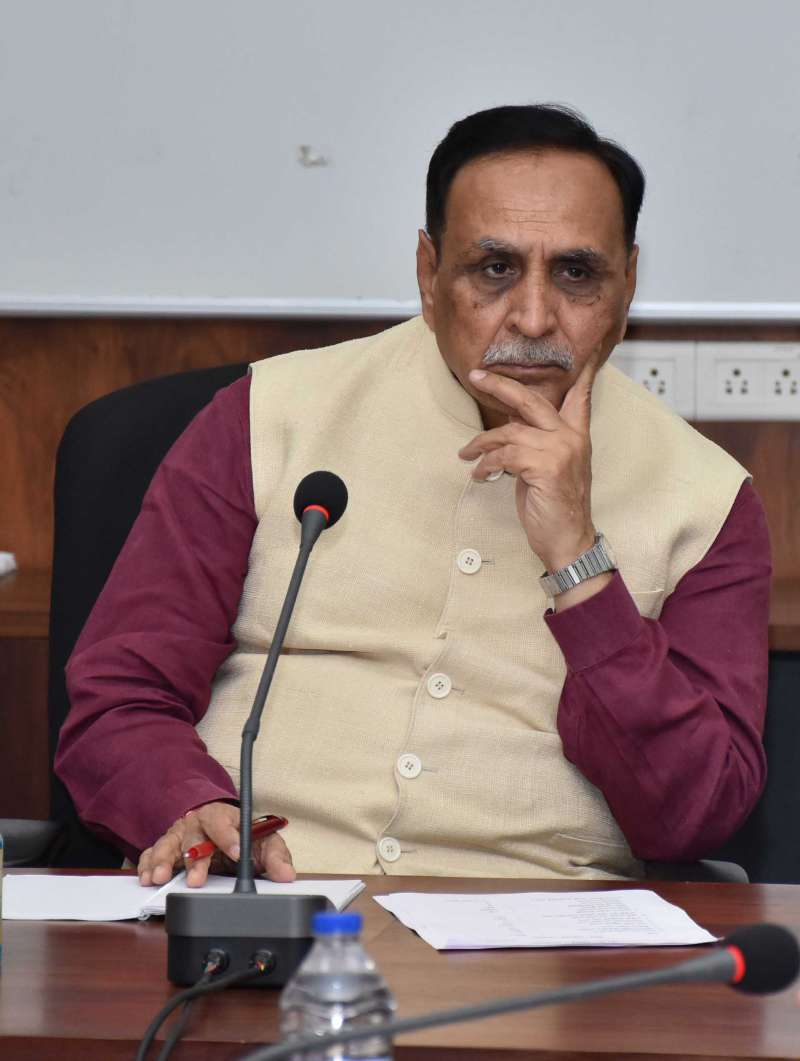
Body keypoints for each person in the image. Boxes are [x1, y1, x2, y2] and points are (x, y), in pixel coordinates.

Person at [56, 104, 770, 888]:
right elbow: (122, 699)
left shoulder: (708, 501)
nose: (534, 317)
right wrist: (187, 803)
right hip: (259, 896)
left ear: (627, 285)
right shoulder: (268, 417)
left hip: (537, 927)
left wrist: (579, 562)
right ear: (430, 273)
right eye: (494, 269)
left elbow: (694, 810)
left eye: (576, 274)